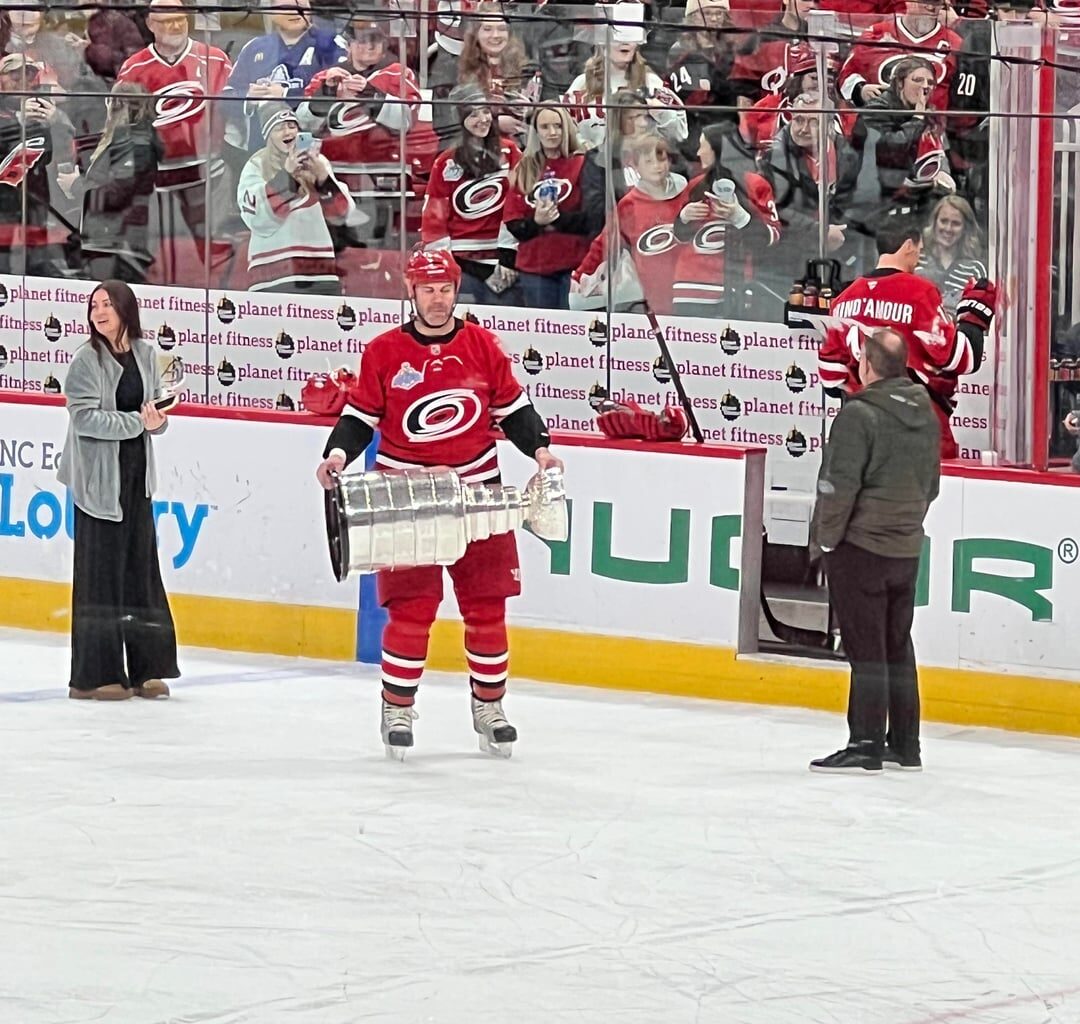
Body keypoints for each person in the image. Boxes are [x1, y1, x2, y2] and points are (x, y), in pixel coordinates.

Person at [315, 248, 563, 757]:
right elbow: (361, 417)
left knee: (487, 608)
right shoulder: (384, 352)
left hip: (479, 491)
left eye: (445, 289)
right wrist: (336, 455)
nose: (437, 298)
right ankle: (398, 709)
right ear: (411, 291)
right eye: (428, 289)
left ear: (456, 290)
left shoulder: (482, 345)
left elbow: (515, 408)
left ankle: (490, 707)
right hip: (407, 496)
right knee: (411, 610)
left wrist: (540, 450)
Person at [809, 329, 940, 773]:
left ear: (867, 366)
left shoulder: (859, 415)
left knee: (866, 648)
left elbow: (837, 487)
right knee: (896, 644)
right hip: (905, 548)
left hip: (860, 547)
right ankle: (905, 742)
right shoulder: (925, 412)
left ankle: (865, 741)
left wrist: (826, 540)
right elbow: (932, 485)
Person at [57, 280, 179, 701]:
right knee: (100, 578)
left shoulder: (146, 354)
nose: (99, 311)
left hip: (136, 479)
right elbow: (85, 419)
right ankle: (92, 676)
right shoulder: (85, 360)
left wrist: (158, 423)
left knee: (141, 575)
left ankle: (148, 668)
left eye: (107, 304)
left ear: (126, 308)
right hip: (97, 484)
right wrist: (137, 425)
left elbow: (155, 414)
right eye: (93, 305)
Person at [817, 217, 996, 460]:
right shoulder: (919, 293)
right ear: (908, 246)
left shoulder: (843, 300)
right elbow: (962, 357)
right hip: (916, 434)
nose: (918, 259)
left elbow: (830, 379)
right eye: (919, 251)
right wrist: (974, 311)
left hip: (860, 438)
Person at [237, 102, 354, 293]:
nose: (287, 132)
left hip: (321, 273)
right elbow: (257, 219)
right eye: (279, 128)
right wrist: (287, 178)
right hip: (272, 276)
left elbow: (343, 215)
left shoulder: (318, 161)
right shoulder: (256, 165)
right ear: (268, 136)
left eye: (292, 126)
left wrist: (323, 179)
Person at [421, 85, 521, 306]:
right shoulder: (446, 162)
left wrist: (508, 258)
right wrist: (448, 266)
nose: (482, 119)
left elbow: (518, 206)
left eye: (485, 111)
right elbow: (433, 219)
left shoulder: (511, 152)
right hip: (461, 263)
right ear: (460, 120)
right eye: (473, 114)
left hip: (503, 263)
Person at [503, 103, 598, 310]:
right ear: (536, 131)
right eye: (545, 127)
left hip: (576, 266)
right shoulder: (525, 167)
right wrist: (536, 222)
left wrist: (556, 219)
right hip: (535, 269)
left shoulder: (583, 163)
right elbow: (513, 221)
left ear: (567, 128)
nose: (552, 132)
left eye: (558, 126)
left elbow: (593, 219)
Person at [916, 195, 987, 314]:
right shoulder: (916, 261)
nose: (948, 229)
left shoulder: (975, 269)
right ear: (934, 222)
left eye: (956, 223)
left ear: (965, 228)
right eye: (943, 221)